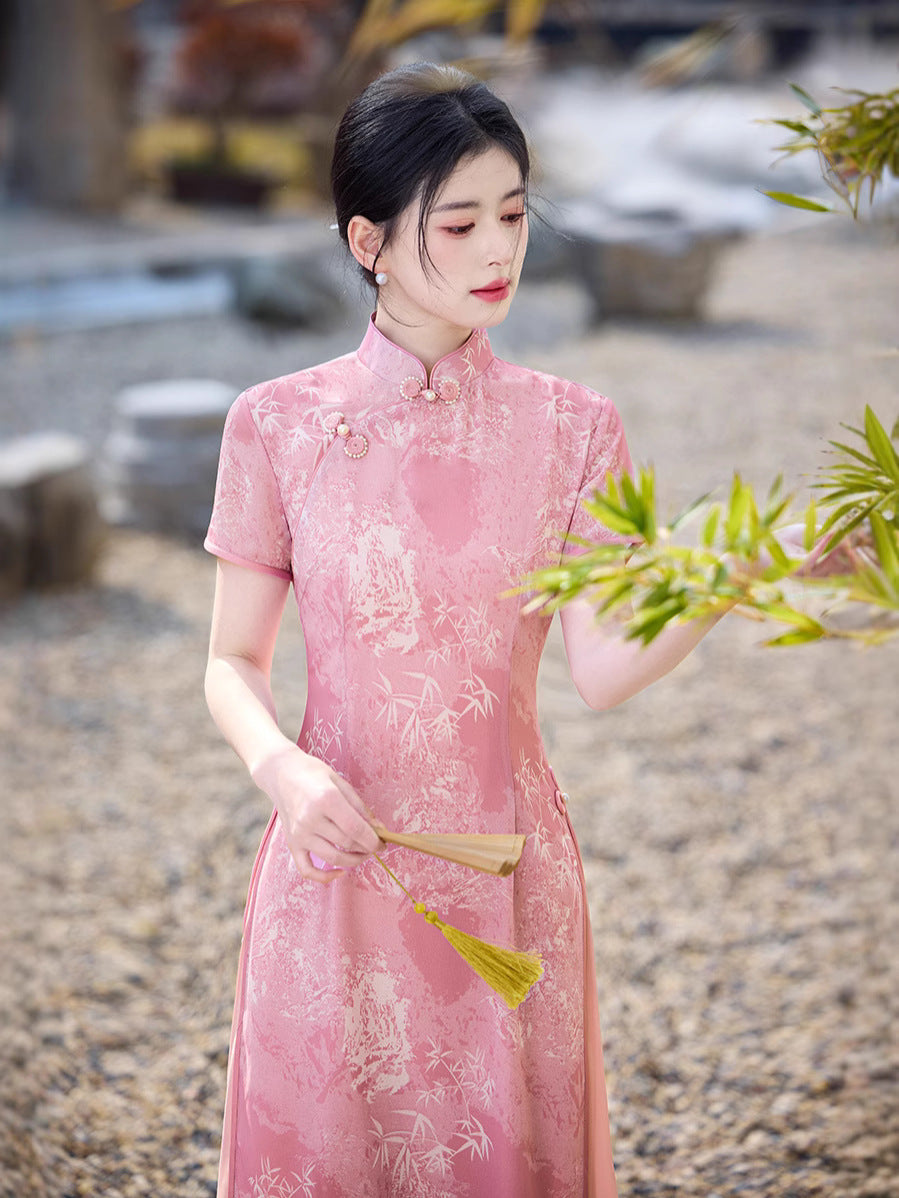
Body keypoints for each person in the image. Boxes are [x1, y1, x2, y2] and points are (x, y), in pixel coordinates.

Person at [202, 62, 750, 1198]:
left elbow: (601, 668)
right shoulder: (277, 427)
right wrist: (285, 770)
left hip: (508, 871)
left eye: (512, 215)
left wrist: (737, 572)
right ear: (367, 242)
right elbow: (230, 662)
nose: (498, 249)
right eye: (458, 222)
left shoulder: (572, 430)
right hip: (333, 860)